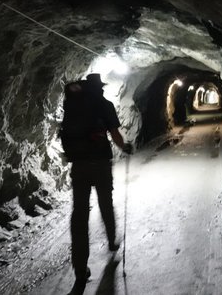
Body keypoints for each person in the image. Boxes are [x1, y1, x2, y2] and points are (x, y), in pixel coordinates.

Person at [60, 73, 133, 288]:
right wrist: (125, 147)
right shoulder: (105, 105)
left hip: (79, 165)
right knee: (105, 202)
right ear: (99, 88)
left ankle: (80, 268)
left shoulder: (72, 105)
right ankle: (111, 241)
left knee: (80, 213)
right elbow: (115, 134)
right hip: (100, 163)